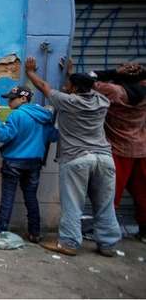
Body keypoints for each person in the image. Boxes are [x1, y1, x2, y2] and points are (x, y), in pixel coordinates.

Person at [24, 56, 120, 257]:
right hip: (104, 158)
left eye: (69, 84)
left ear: (75, 89)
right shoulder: (102, 101)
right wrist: (71, 73)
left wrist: (31, 72)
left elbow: (43, 86)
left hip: (77, 158)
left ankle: (69, 242)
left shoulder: (67, 101)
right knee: (104, 204)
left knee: (73, 204)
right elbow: (87, 87)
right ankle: (109, 244)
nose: (66, 86)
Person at [0, 85, 57, 243]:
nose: (9, 102)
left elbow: (3, 136)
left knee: (8, 197)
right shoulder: (45, 117)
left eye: (12, 99)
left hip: (14, 161)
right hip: (35, 162)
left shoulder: (17, 115)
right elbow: (53, 137)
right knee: (31, 198)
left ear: (23, 98)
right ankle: (35, 233)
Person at [92, 62, 146, 242]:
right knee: (142, 193)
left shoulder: (114, 91)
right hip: (141, 148)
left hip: (118, 150)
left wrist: (114, 71)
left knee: (110, 195)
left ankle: (105, 235)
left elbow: (87, 78)